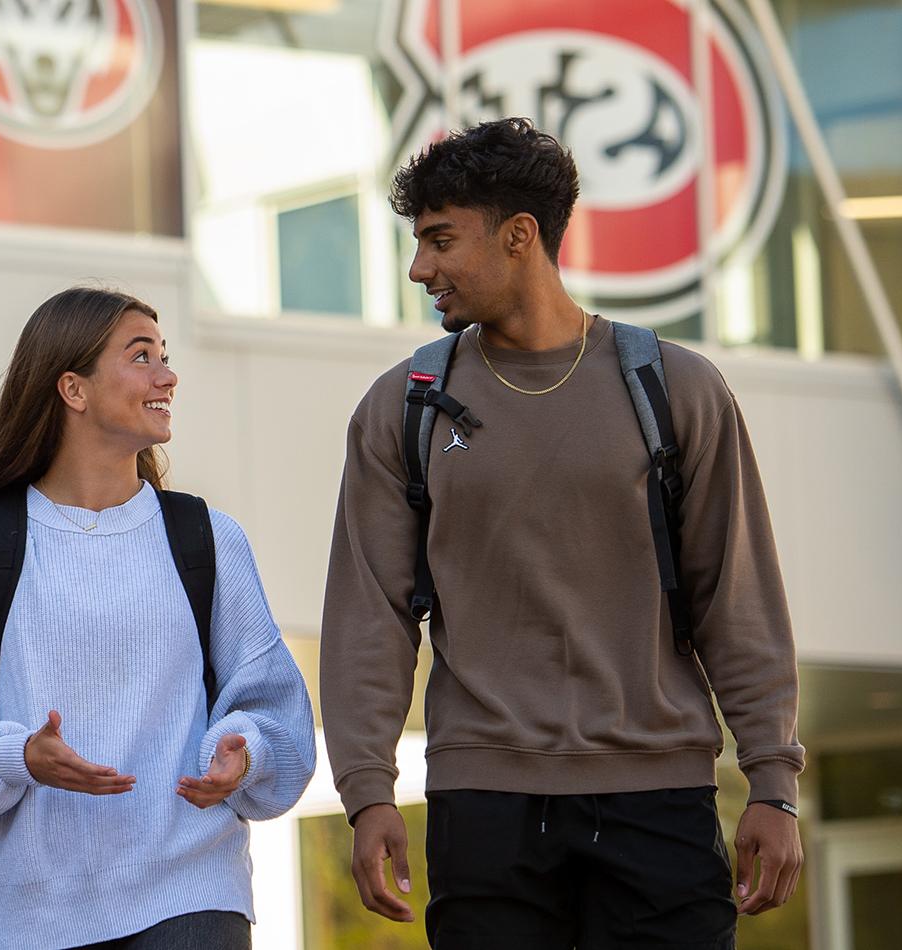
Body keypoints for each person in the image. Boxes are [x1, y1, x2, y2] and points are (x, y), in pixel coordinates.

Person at [320, 118, 805, 948]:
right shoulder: (401, 409)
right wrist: (367, 792)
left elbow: (738, 594)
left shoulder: (675, 390)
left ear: (519, 237)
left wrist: (773, 780)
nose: (419, 268)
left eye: (441, 240)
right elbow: (372, 615)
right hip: (484, 803)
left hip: (659, 795)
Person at [0, 287, 316, 949]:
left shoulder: (209, 539)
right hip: (29, 917)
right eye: (141, 356)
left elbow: (278, 713)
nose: (168, 375)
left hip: (194, 895)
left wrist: (245, 751)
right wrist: (21, 757)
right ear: (74, 389)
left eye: (166, 355)